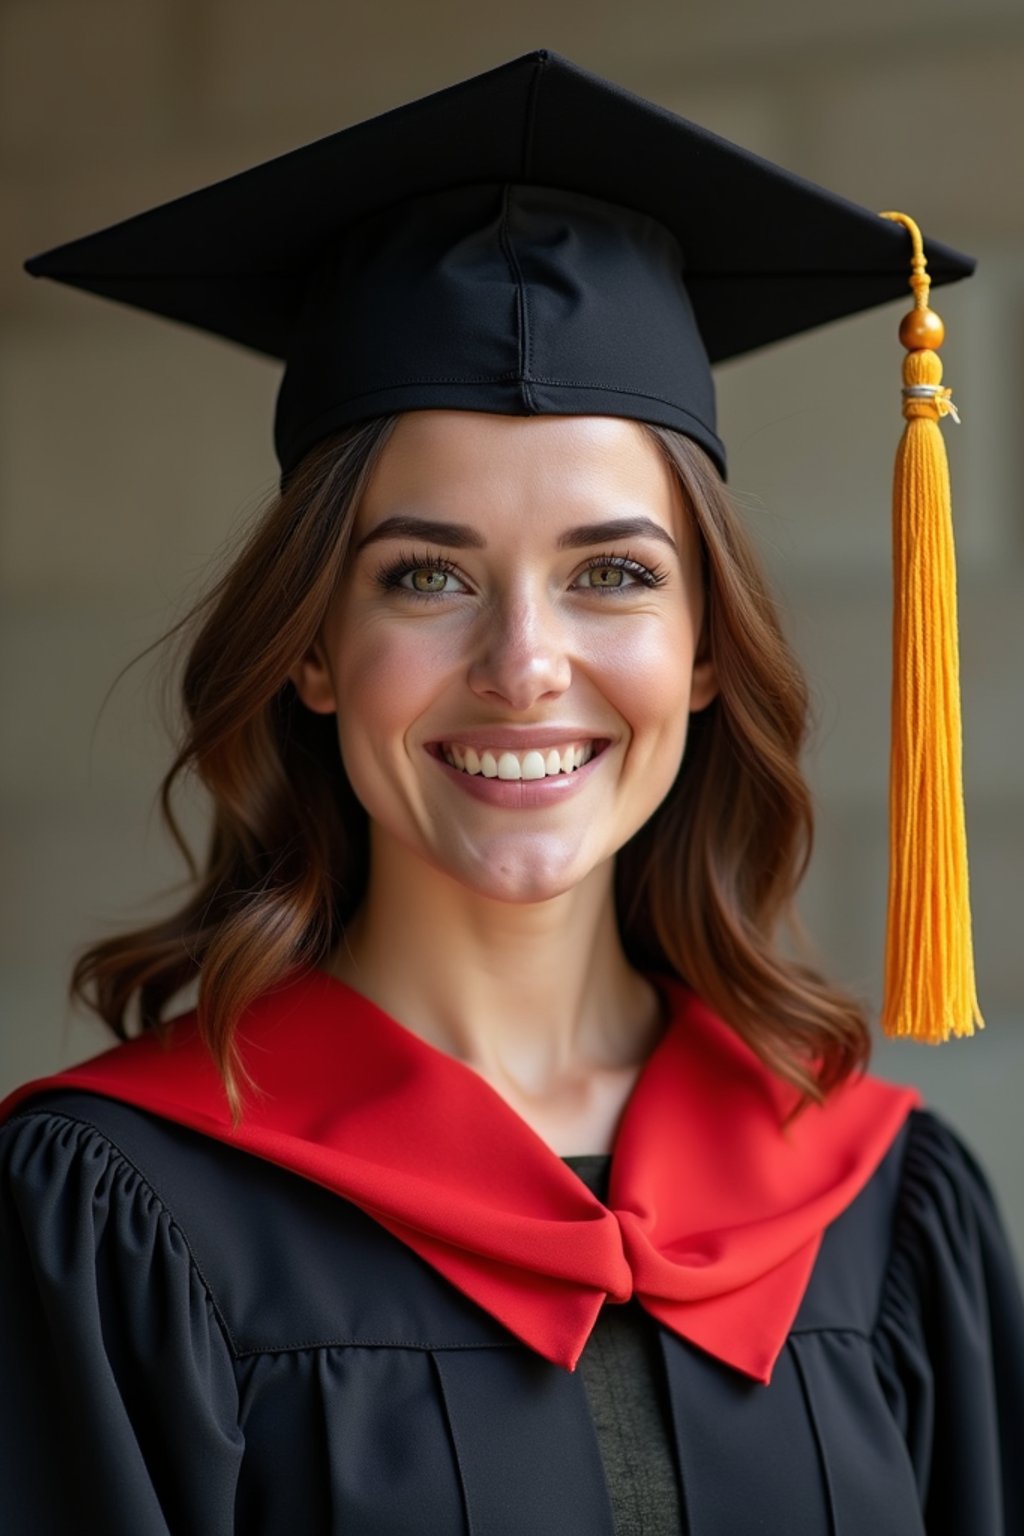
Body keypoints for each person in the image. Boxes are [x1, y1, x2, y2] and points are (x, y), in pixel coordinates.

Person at [2, 48, 1022, 1536]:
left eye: (614, 574)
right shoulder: (118, 1223)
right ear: (313, 653)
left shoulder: (885, 1211)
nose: (525, 664)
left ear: (703, 655)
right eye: (426, 575)